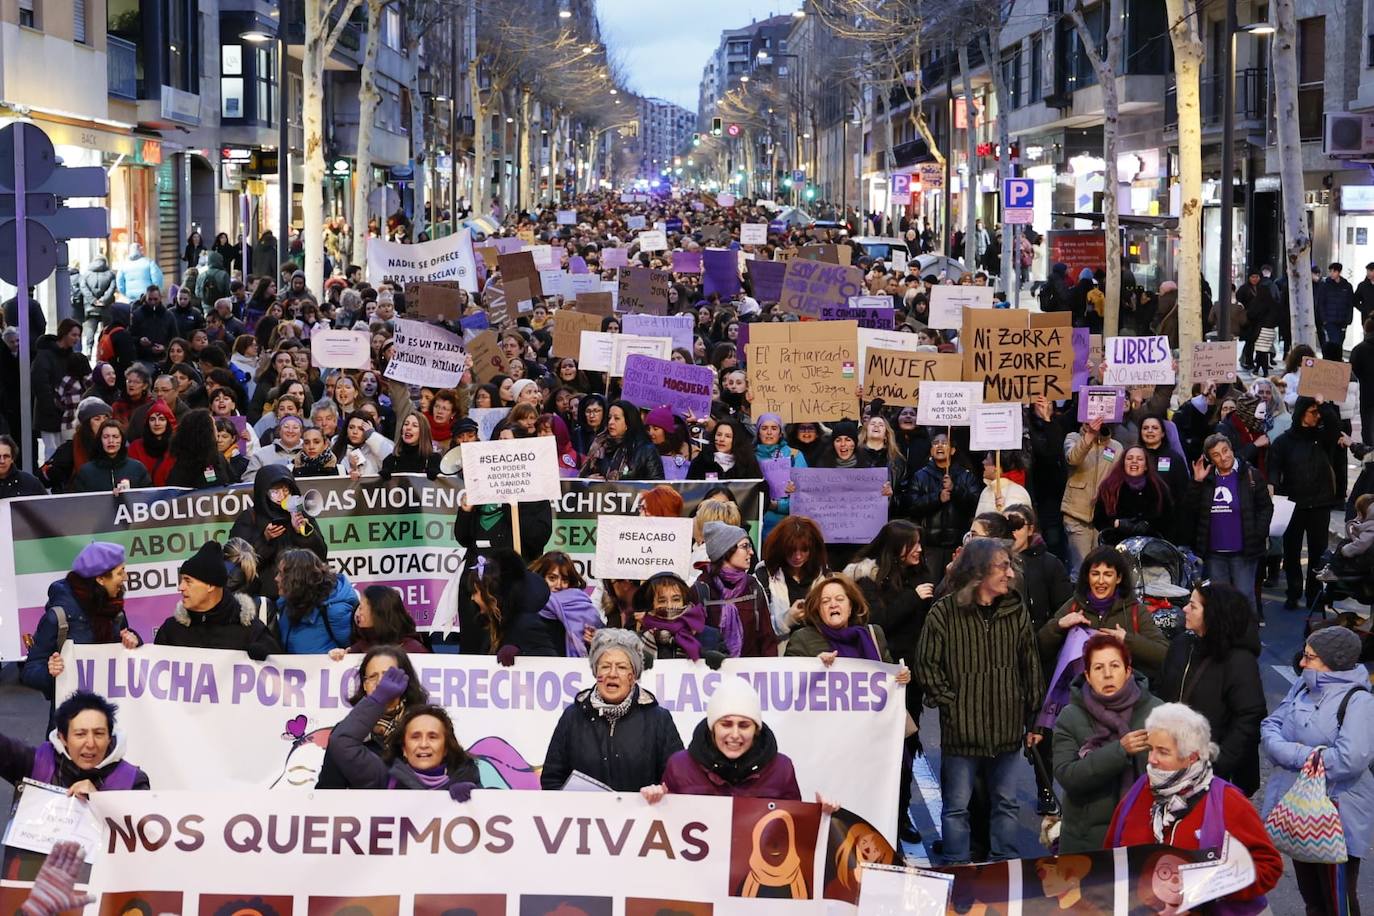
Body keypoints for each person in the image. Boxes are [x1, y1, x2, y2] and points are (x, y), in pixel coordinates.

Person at [916, 538, 1043, 865]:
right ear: (980, 571)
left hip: (1007, 731)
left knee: (1006, 803)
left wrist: (1034, 717)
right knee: (956, 807)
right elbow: (926, 665)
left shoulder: (1016, 610)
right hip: (962, 734)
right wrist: (952, 703)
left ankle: (1004, 865)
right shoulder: (944, 613)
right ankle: (958, 867)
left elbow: (1030, 664)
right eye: (1002, 566)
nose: (1009, 574)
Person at [1105, 703, 1282, 907]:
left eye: (1162, 752)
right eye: (1151, 749)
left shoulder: (1227, 801)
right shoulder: (1140, 790)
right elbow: (1112, 853)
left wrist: (1214, 887)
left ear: (1191, 756)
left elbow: (1269, 865)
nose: (1151, 760)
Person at [1262, 626, 1374, 916]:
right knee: (1312, 898)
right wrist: (1310, 755)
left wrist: (1290, 753)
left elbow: (1349, 760)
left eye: (1309, 658)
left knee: (1338, 902)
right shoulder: (1302, 685)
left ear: (1331, 662)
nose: (1301, 663)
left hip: (1337, 816)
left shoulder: (1359, 701)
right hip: (1298, 811)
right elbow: (1270, 727)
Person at [1051, 633, 1163, 853]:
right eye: (1099, 668)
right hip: (1086, 842)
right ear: (1088, 676)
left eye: (1114, 665)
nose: (1108, 674)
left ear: (1128, 670)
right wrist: (1120, 751)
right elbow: (1067, 775)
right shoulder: (1071, 716)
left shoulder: (1156, 712)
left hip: (1142, 836)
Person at [540, 628, 684, 792]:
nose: (612, 674)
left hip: (642, 817)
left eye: (622, 667)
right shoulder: (572, 716)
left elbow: (678, 780)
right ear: (596, 672)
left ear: (634, 675)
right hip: (586, 816)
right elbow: (552, 780)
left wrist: (661, 791)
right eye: (605, 666)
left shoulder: (659, 719)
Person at [1158, 583, 1266, 795]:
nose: (1185, 610)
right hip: (1171, 761)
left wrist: (1217, 764)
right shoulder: (1181, 644)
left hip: (1212, 774)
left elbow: (1249, 718)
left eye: (1193, 606)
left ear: (1213, 615)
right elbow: (1160, 689)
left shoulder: (1239, 660)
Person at [641, 677, 803, 800]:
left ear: (756, 729)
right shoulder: (679, 766)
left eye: (744, 725)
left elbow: (796, 827)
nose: (734, 734)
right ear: (713, 727)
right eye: (726, 724)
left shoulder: (782, 768)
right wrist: (655, 802)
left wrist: (822, 816)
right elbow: (668, 827)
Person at [330, 666, 481, 795]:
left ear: (446, 747)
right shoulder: (382, 778)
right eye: (415, 737)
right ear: (403, 749)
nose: (423, 744)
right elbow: (341, 742)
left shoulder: (467, 779)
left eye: (433, 737)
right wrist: (378, 699)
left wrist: (476, 799)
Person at [21, 542, 141, 700]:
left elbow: (125, 649)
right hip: (71, 715)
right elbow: (30, 670)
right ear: (100, 579)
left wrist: (135, 641)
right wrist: (50, 672)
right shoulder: (59, 616)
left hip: (113, 709)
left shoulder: (114, 609)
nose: (125, 577)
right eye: (120, 572)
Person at [1039, 546, 1170, 681]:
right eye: (1095, 574)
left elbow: (1164, 654)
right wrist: (1059, 626)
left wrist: (1127, 640)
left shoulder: (1135, 610)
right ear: (1087, 577)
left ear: (1118, 578)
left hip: (1126, 696)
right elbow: (1040, 650)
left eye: (1108, 574)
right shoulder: (1074, 606)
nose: (1101, 581)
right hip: (1080, 695)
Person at [316, 645, 432, 789]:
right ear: (364, 685)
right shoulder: (346, 730)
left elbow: (457, 767)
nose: (380, 683)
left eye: (388, 676)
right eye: (372, 677)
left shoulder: (429, 725)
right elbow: (327, 791)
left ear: (405, 680)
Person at [1269, 395, 1346, 609]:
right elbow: (1274, 469)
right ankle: (1293, 592)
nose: (1318, 416)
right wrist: (1274, 489)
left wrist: (1323, 403)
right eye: (1313, 412)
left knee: (1317, 554)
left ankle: (1314, 595)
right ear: (1302, 413)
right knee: (1292, 553)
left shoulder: (1323, 437)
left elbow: (1335, 425)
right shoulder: (1283, 442)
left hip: (1319, 505)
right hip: (1293, 505)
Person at [1183, 433, 1273, 611]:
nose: (1223, 457)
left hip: (1244, 550)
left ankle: (1248, 638)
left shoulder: (1250, 474)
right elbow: (1189, 510)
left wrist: (1257, 533)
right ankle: (1223, 638)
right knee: (1219, 600)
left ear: (1232, 450)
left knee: (1244, 597)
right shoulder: (1206, 479)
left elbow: (1266, 508)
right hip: (1214, 553)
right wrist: (1196, 482)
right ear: (1209, 458)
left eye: (1225, 451)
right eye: (1216, 454)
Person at [153, 540, 282, 659]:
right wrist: (136, 647)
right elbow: (151, 672)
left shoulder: (252, 631)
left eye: (188, 581)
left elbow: (281, 673)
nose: (180, 587)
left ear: (210, 585)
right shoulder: (170, 630)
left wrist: (267, 657)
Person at [0, 691, 150, 793]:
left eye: (99, 733)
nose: (90, 743)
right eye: (80, 734)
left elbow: (143, 835)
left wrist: (100, 804)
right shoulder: (37, 763)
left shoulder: (133, 781)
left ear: (109, 737)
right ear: (63, 738)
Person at [227, 465, 328, 598]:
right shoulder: (249, 518)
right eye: (275, 491)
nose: (282, 496)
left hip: (301, 594)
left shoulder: (301, 514)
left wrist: (303, 533)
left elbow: (321, 555)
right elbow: (238, 564)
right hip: (264, 597)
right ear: (264, 492)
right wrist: (265, 539)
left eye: (285, 490)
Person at [903, 432, 981, 581]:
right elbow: (911, 506)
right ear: (931, 450)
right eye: (935, 443)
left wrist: (955, 490)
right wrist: (937, 498)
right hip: (930, 545)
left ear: (952, 450)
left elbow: (974, 505)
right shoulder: (920, 476)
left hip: (957, 545)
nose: (939, 445)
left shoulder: (965, 475)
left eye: (944, 443)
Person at [694, 521, 778, 658]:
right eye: (745, 546)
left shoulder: (753, 586)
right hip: (712, 675)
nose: (751, 552)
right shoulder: (702, 588)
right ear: (726, 550)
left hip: (750, 675)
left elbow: (767, 640)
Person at [461, 547, 561, 661]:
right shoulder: (494, 624)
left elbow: (550, 663)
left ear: (490, 594)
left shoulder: (527, 624)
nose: (473, 598)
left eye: (475, 592)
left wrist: (521, 653)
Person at [1061, 418, 1122, 574]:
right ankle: (1078, 598)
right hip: (1077, 514)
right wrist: (1089, 435)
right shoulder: (1073, 438)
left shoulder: (1116, 447)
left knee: (1100, 569)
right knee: (1081, 569)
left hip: (1103, 517)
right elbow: (1073, 459)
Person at [755, 515, 830, 638]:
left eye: (804, 550)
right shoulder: (764, 576)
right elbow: (755, 628)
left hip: (817, 651)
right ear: (780, 548)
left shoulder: (825, 577)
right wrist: (787, 619)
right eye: (791, 550)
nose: (798, 556)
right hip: (780, 653)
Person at [273, 548, 358, 653]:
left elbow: (354, 652)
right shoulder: (285, 604)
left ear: (297, 579)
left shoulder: (335, 611)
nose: (276, 578)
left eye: (281, 574)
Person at [1091, 444, 1173, 545]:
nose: (1134, 461)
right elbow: (1099, 519)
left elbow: (1168, 518)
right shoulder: (1109, 486)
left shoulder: (1159, 488)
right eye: (1129, 458)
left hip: (1150, 547)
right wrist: (1116, 523)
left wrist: (1148, 525)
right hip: (1115, 545)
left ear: (1146, 466)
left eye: (1139, 459)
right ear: (1123, 463)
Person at [635, 571, 719, 661]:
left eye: (676, 599)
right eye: (662, 601)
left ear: (684, 601)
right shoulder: (635, 642)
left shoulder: (712, 636)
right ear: (651, 605)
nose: (670, 606)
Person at [328, 586, 430, 658]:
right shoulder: (360, 646)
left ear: (378, 613)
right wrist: (338, 656)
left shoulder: (414, 649)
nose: (357, 613)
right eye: (359, 607)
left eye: (362, 608)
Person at [579, 399, 663, 480]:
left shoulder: (646, 450)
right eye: (609, 418)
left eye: (616, 418)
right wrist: (587, 480)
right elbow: (580, 479)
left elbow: (656, 486)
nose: (610, 422)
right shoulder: (600, 445)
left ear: (628, 422)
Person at [70, 420, 151, 493]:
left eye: (115, 437)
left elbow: (148, 498)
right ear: (100, 440)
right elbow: (78, 502)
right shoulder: (86, 472)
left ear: (122, 440)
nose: (111, 441)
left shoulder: (137, 468)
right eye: (106, 437)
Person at [0, 434, 46, 499]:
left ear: (12, 459)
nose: (2, 461)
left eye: (6, 456)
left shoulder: (31, 483)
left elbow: (46, 506)